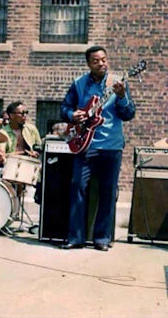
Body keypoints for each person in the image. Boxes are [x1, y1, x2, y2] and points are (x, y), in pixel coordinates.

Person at [60, 45, 135, 251]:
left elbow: (128, 114)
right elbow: (64, 108)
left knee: (108, 192)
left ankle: (102, 238)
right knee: (77, 187)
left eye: (104, 59)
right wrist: (71, 115)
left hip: (111, 145)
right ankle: (75, 237)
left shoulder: (117, 82)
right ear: (88, 64)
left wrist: (121, 97)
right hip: (86, 145)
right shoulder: (79, 84)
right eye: (96, 61)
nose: (101, 63)